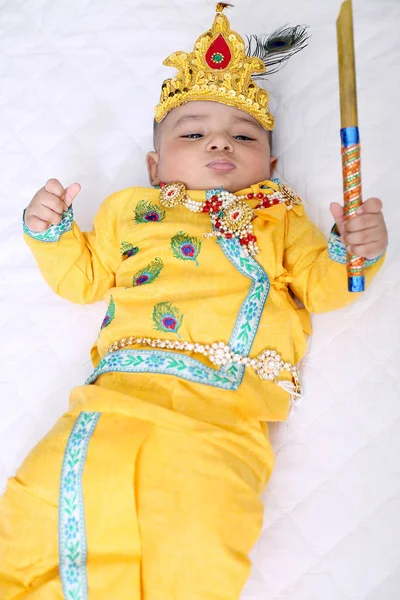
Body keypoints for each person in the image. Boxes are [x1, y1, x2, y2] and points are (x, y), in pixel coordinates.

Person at [0, 3, 388, 599]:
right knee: (39, 506)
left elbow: (322, 284)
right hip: (119, 397)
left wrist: (352, 248)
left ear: (272, 166)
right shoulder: (128, 211)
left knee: (200, 536)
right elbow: (81, 279)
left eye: (243, 135)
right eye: (193, 132)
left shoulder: (280, 219)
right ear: (155, 166)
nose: (219, 144)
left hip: (223, 420)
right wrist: (48, 230)